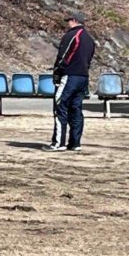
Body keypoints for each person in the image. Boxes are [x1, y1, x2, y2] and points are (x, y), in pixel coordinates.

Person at [44, 12, 96, 152]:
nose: (67, 23)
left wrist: (57, 73)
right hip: (83, 77)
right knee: (76, 110)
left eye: (69, 21)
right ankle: (75, 142)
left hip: (69, 76)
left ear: (74, 21)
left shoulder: (72, 35)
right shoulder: (90, 39)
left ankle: (58, 143)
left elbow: (63, 56)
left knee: (60, 107)